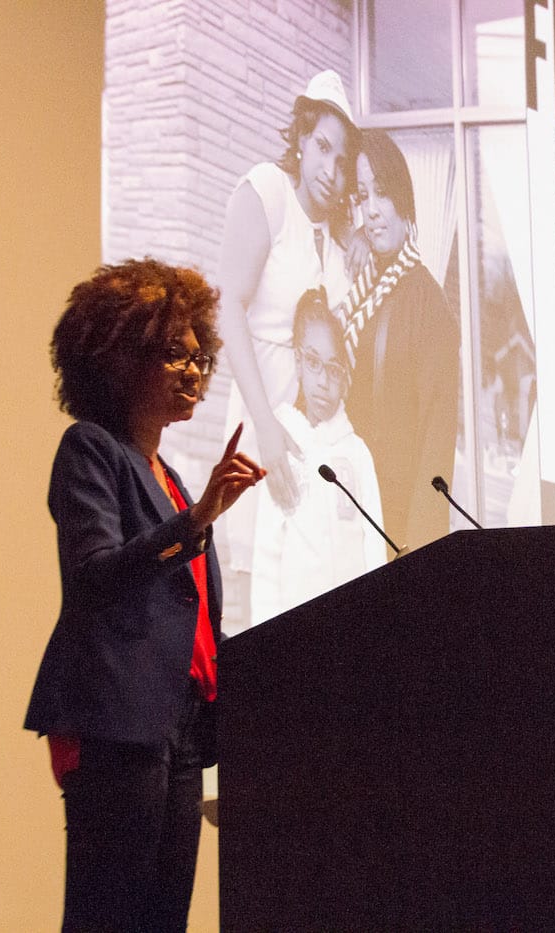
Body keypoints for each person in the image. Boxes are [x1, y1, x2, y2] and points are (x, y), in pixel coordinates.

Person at [23, 258, 265, 932]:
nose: (193, 371)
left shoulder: (177, 482)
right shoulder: (90, 451)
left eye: (200, 357)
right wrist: (193, 525)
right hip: (116, 721)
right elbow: (96, 574)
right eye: (172, 354)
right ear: (118, 358)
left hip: (180, 727)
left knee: (164, 921)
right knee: (109, 918)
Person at [216, 70, 359, 615]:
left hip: (315, 462)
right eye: (322, 147)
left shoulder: (339, 240)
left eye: (343, 160)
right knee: (251, 617)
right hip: (261, 439)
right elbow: (227, 308)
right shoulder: (267, 193)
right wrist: (267, 431)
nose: (330, 169)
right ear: (301, 138)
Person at [341, 129, 460, 551]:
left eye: (383, 193)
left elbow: (435, 447)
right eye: (362, 196)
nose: (371, 211)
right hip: (348, 520)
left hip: (394, 532)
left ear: (404, 200)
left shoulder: (427, 303)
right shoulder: (359, 288)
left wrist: (418, 552)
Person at [250, 287, 386, 624]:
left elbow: (374, 545)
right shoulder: (282, 446)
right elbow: (267, 552)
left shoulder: (356, 452)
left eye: (334, 370)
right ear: (298, 361)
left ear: (345, 379)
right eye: (313, 363)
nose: (323, 382)